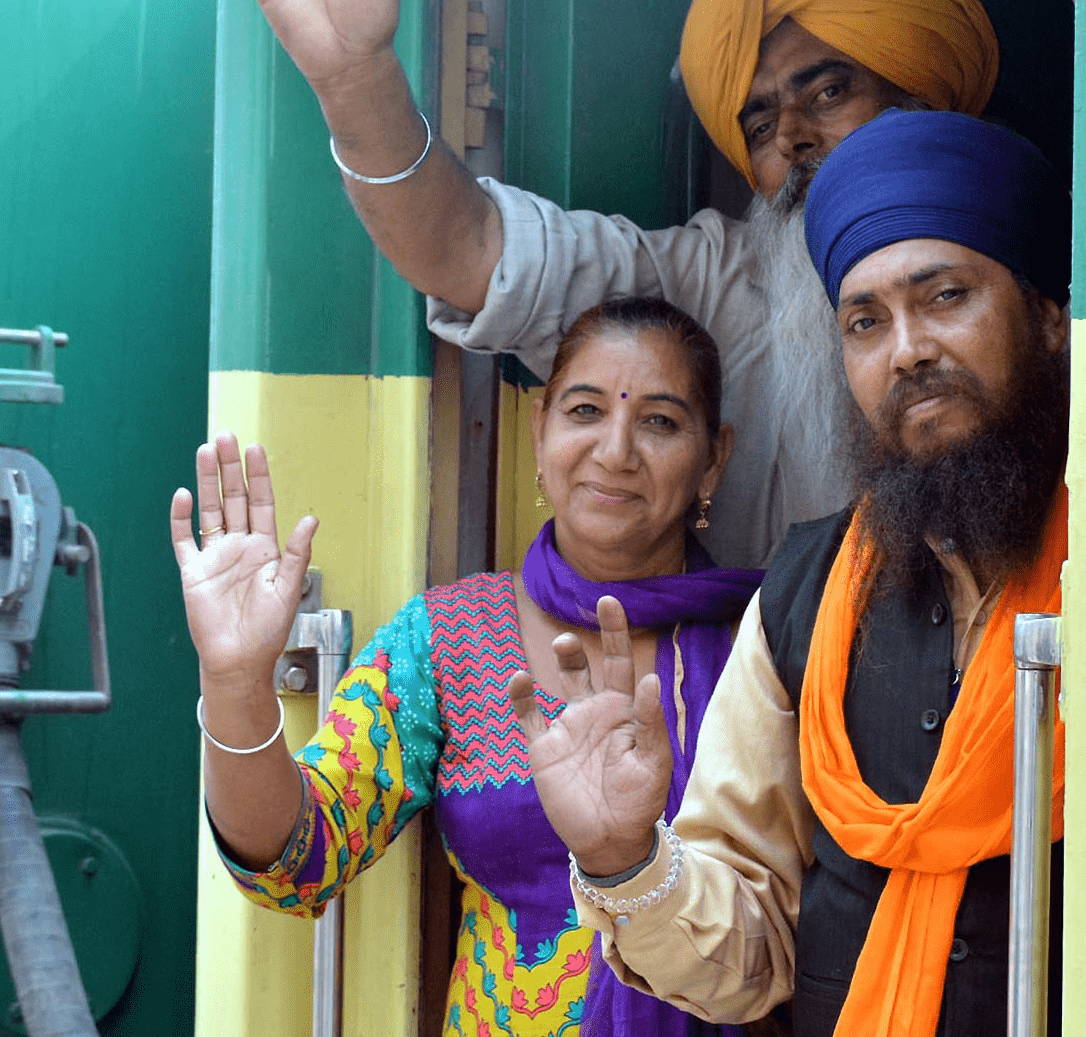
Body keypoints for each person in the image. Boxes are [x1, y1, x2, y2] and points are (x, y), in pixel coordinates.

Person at [191, 0, 1023, 567]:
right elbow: (467, 252)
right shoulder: (713, 279)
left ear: (924, 99)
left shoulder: (1032, 273)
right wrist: (353, 76)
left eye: (831, 91)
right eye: (759, 123)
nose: (794, 139)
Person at [510, 110, 1074, 1037]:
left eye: (945, 298)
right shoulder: (803, 593)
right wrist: (622, 860)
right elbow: (749, 952)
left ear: (1047, 317)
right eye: (865, 321)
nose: (907, 350)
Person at [173, 297, 764, 1037]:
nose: (616, 450)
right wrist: (233, 684)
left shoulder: (767, 647)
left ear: (714, 457)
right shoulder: (451, 638)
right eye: (585, 411)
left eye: (660, 421)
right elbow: (297, 861)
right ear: (538, 425)